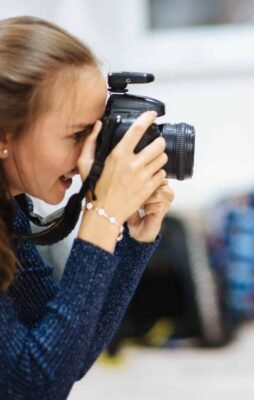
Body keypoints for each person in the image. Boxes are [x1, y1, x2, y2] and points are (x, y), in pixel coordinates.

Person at [0, 16, 175, 399]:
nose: (91, 156)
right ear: (5, 135)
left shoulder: (7, 209)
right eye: (78, 134)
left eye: (98, 132)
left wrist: (133, 240)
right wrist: (100, 218)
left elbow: (65, 357)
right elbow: (33, 386)